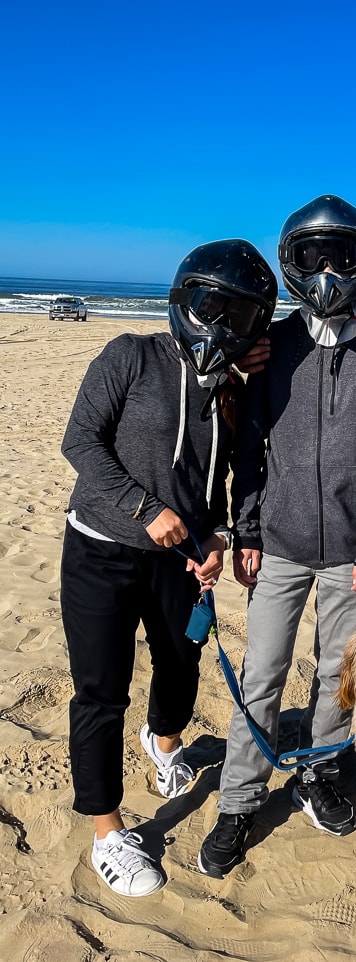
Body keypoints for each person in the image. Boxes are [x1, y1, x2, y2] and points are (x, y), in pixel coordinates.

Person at [198, 195, 356, 879]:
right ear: (293, 264)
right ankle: (237, 802)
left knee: (334, 676)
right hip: (280, 544)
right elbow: (251, 446)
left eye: (338, 256)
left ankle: (319, 774)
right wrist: (251, 525)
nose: (323, 271)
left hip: (353, 550)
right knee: (261, 674)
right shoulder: (276, 347)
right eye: (309, 257)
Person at [60, 240, 278, 896]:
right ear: (186, 298)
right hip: (100, 549)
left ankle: (164, 745)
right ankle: (106, 831)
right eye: (213, 305)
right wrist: (141, 508)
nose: (222, 325)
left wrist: (217, 535)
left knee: (180, 662)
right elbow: (80, 441)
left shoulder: (234, 390)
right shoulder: (131, 354)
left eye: (240, 317)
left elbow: (233, 477)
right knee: (102, 693)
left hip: (182, 561)